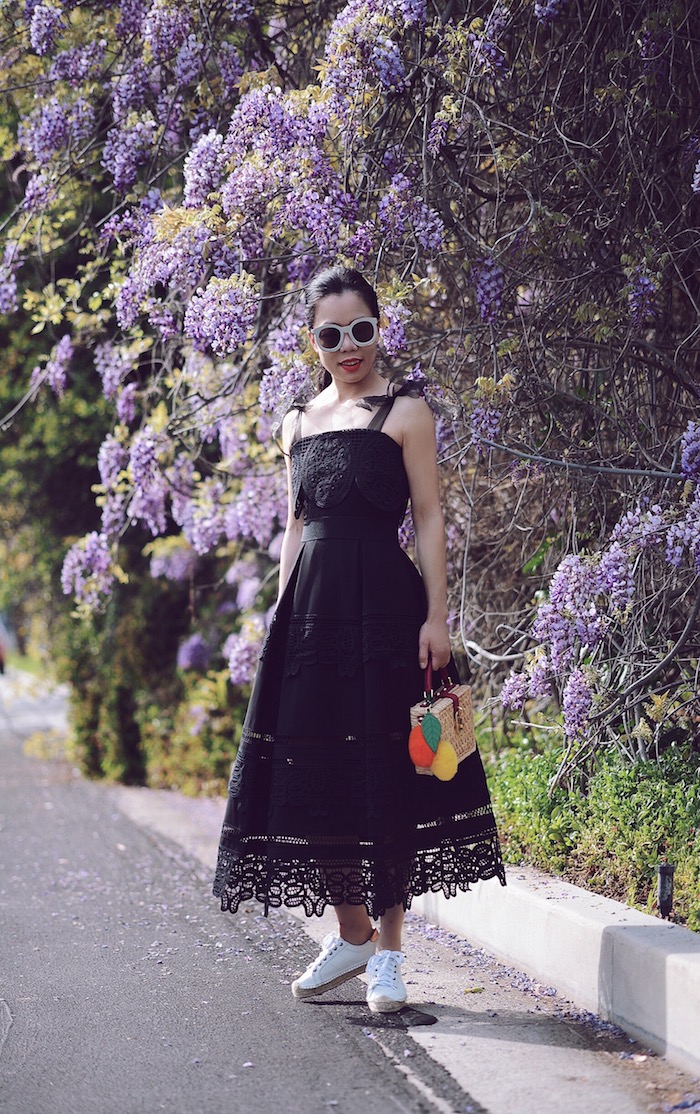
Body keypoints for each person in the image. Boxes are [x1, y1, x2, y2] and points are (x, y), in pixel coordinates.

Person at [213, 265, 505, 1014]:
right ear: (312, 342)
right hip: (310, 621)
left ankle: (389, 957)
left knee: (390, 772)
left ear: (381, 328)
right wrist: (281, 620)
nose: (349, 348)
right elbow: (296, 527)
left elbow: (431, 516)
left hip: (386, 614)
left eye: (361, 331)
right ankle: (349, 932)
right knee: (316, 779)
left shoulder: (407, 412)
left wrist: (437, 617)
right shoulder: (294, 424)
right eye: (331, 335)